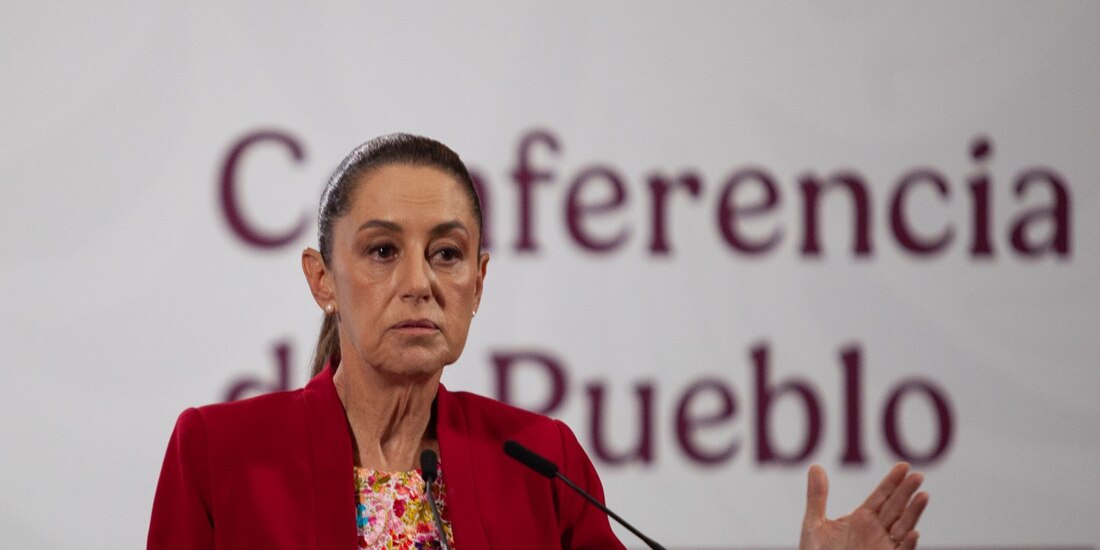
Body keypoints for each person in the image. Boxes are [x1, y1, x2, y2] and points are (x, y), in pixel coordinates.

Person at [148, 133, 929, 549]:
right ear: (322, 279)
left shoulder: (540, 460)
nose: (420, 281)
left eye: (447, 253)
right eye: (382, 250)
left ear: (479, 282)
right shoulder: (220, 453)